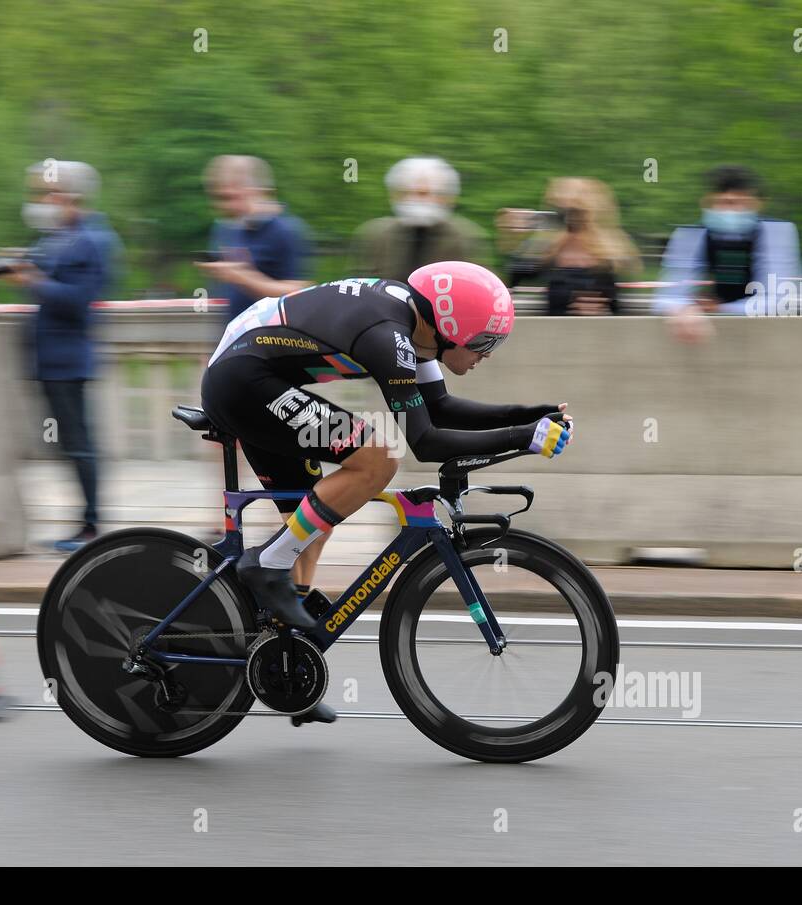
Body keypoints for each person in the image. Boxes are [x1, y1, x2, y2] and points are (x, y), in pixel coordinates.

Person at [200, 261, 571, 646]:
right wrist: (521, 437)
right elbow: (425, 441)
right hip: (242, 381)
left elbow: (440, 407)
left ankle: (287, 659)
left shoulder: (415, 325)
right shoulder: (388, 336)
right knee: (377, 457)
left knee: (311, 522)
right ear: (450, 329)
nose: (487, 354)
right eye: (483, 343)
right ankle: (266, 565)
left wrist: (529, 415)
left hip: (254, 375)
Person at [0, 160, 118, 552]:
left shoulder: (92, 240)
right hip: (47, 359)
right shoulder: (55, 238)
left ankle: (91, 526)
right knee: (67, 444)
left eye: (46, 194)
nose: (40, 203)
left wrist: (31, 279)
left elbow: (79, 302)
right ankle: (84, 521)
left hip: (68, 360)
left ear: (70, 197)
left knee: (79, 444)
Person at [654, 165, 801, 341]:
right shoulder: (691, 234)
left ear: (757, 204)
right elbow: (667, 296)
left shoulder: (777, 232)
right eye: (722, 203)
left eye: (738, 203)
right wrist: (683, 309)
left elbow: (777, 300)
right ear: (707, 204)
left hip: (766, 335)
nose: (729, 211)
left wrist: (721, 309)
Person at [498, 177, 641, 315]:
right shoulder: (546, 251)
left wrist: (602, 311)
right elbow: (508, 285)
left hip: (599, 332)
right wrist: (512, 238)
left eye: (575, 211)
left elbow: (620, 306)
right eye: (562, 211)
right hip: (553, 331)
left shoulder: (610, 254)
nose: (569, 218)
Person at [197, 155, 311, 322]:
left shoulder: (286, 230)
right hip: (233, 338)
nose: (223, 206)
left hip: (272, 342)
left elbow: (299, 294)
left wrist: (241, 277)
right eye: (218, 198)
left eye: (230, 197)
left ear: (255, 190)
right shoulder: (225, 229)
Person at [351, 157, 486, 281]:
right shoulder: (376, 235)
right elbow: (358, 286)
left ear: (448, 197)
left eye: (426, 193)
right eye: (409, 192)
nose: (418, 199)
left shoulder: (463, 237)